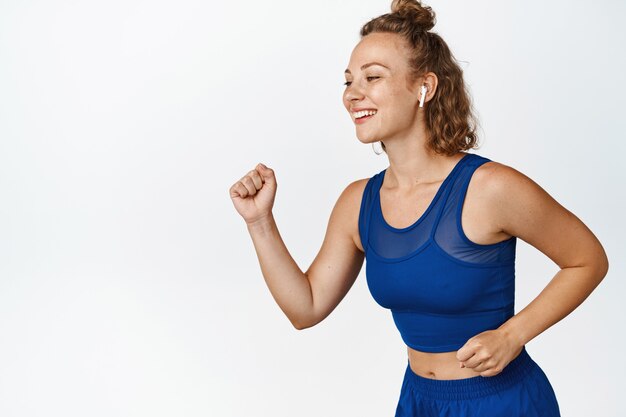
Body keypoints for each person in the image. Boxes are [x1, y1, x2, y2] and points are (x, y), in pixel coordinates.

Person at [228, 0, 609, 415]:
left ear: (424, 87)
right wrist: (259, 221)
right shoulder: (358, 203)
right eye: (348, 81)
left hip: (501, 403)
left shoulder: (490, 188)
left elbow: (587, 260)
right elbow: (306, 308)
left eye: (373, 77)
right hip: (418, 401)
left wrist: (512, 335)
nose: (354, 94)